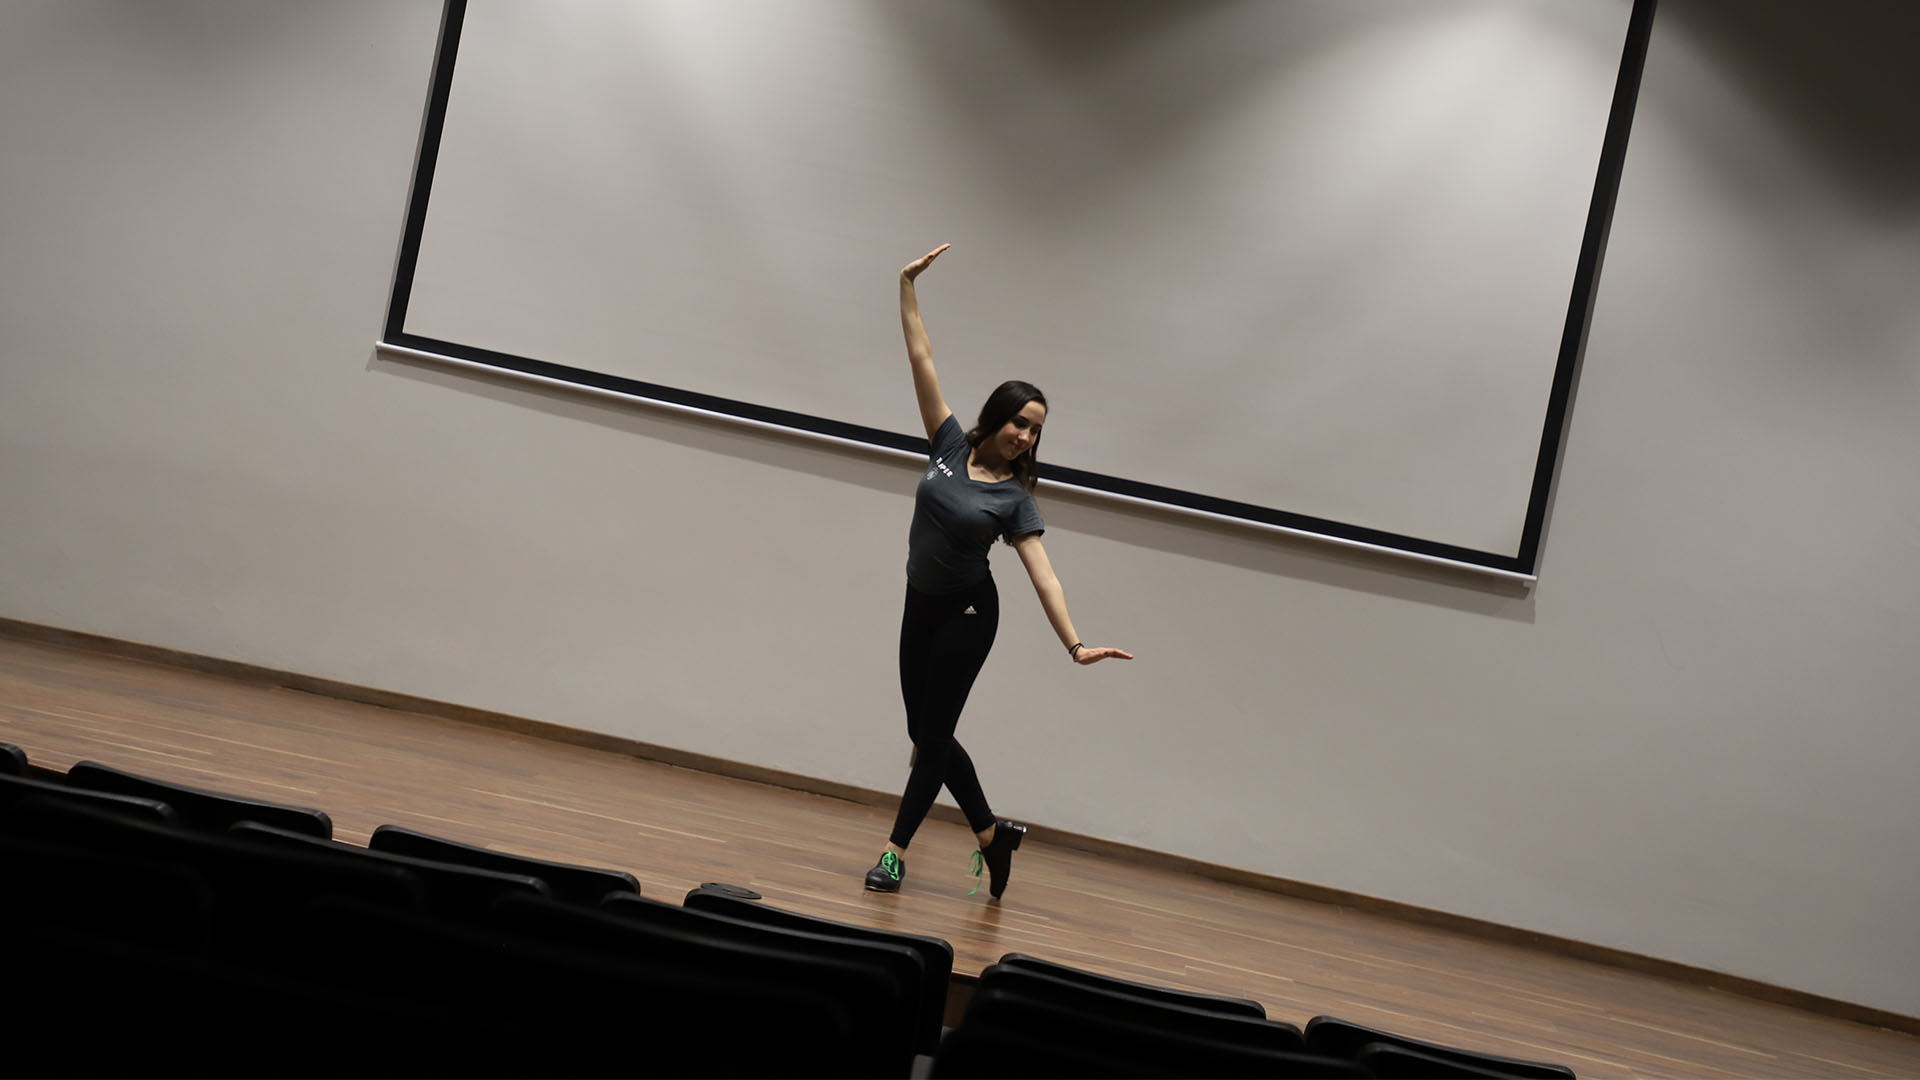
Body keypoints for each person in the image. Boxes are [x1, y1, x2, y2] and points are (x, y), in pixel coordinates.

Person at [865, 243, 1133, 900]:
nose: (1026, 438)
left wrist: (1074, 643)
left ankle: (893, 855)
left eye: (1036, 432)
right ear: (998, 415)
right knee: (921, 732)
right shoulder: (950, 443)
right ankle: (990, 834)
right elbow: (921, 358)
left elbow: (1044, 576)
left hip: (968, 614)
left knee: (931, 739)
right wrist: (905, 286)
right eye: (1020, 423)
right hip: (919, 602)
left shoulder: (1015, 499)